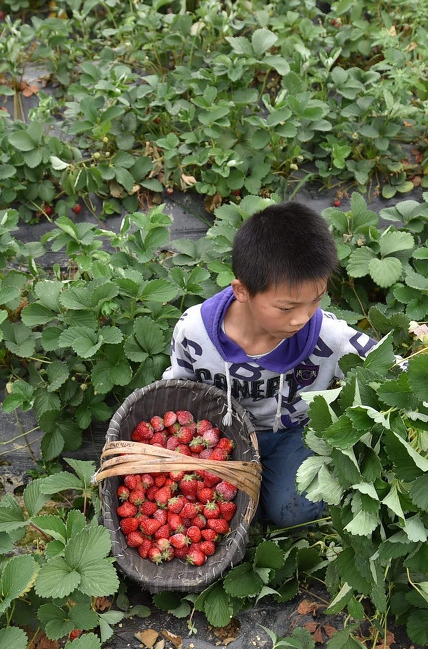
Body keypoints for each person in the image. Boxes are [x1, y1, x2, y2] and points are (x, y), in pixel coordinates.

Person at [162, 200, 381, 527]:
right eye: (286, 307)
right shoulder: (194, 332)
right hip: (221, 434)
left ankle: (267, 501)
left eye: (316, 300)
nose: (302, 318)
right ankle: (254, 504)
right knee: (199, 506)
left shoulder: (327, 336)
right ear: (242, 291)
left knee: (292, 513)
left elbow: (385, 365)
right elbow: (174, 390)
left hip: (291, 434)